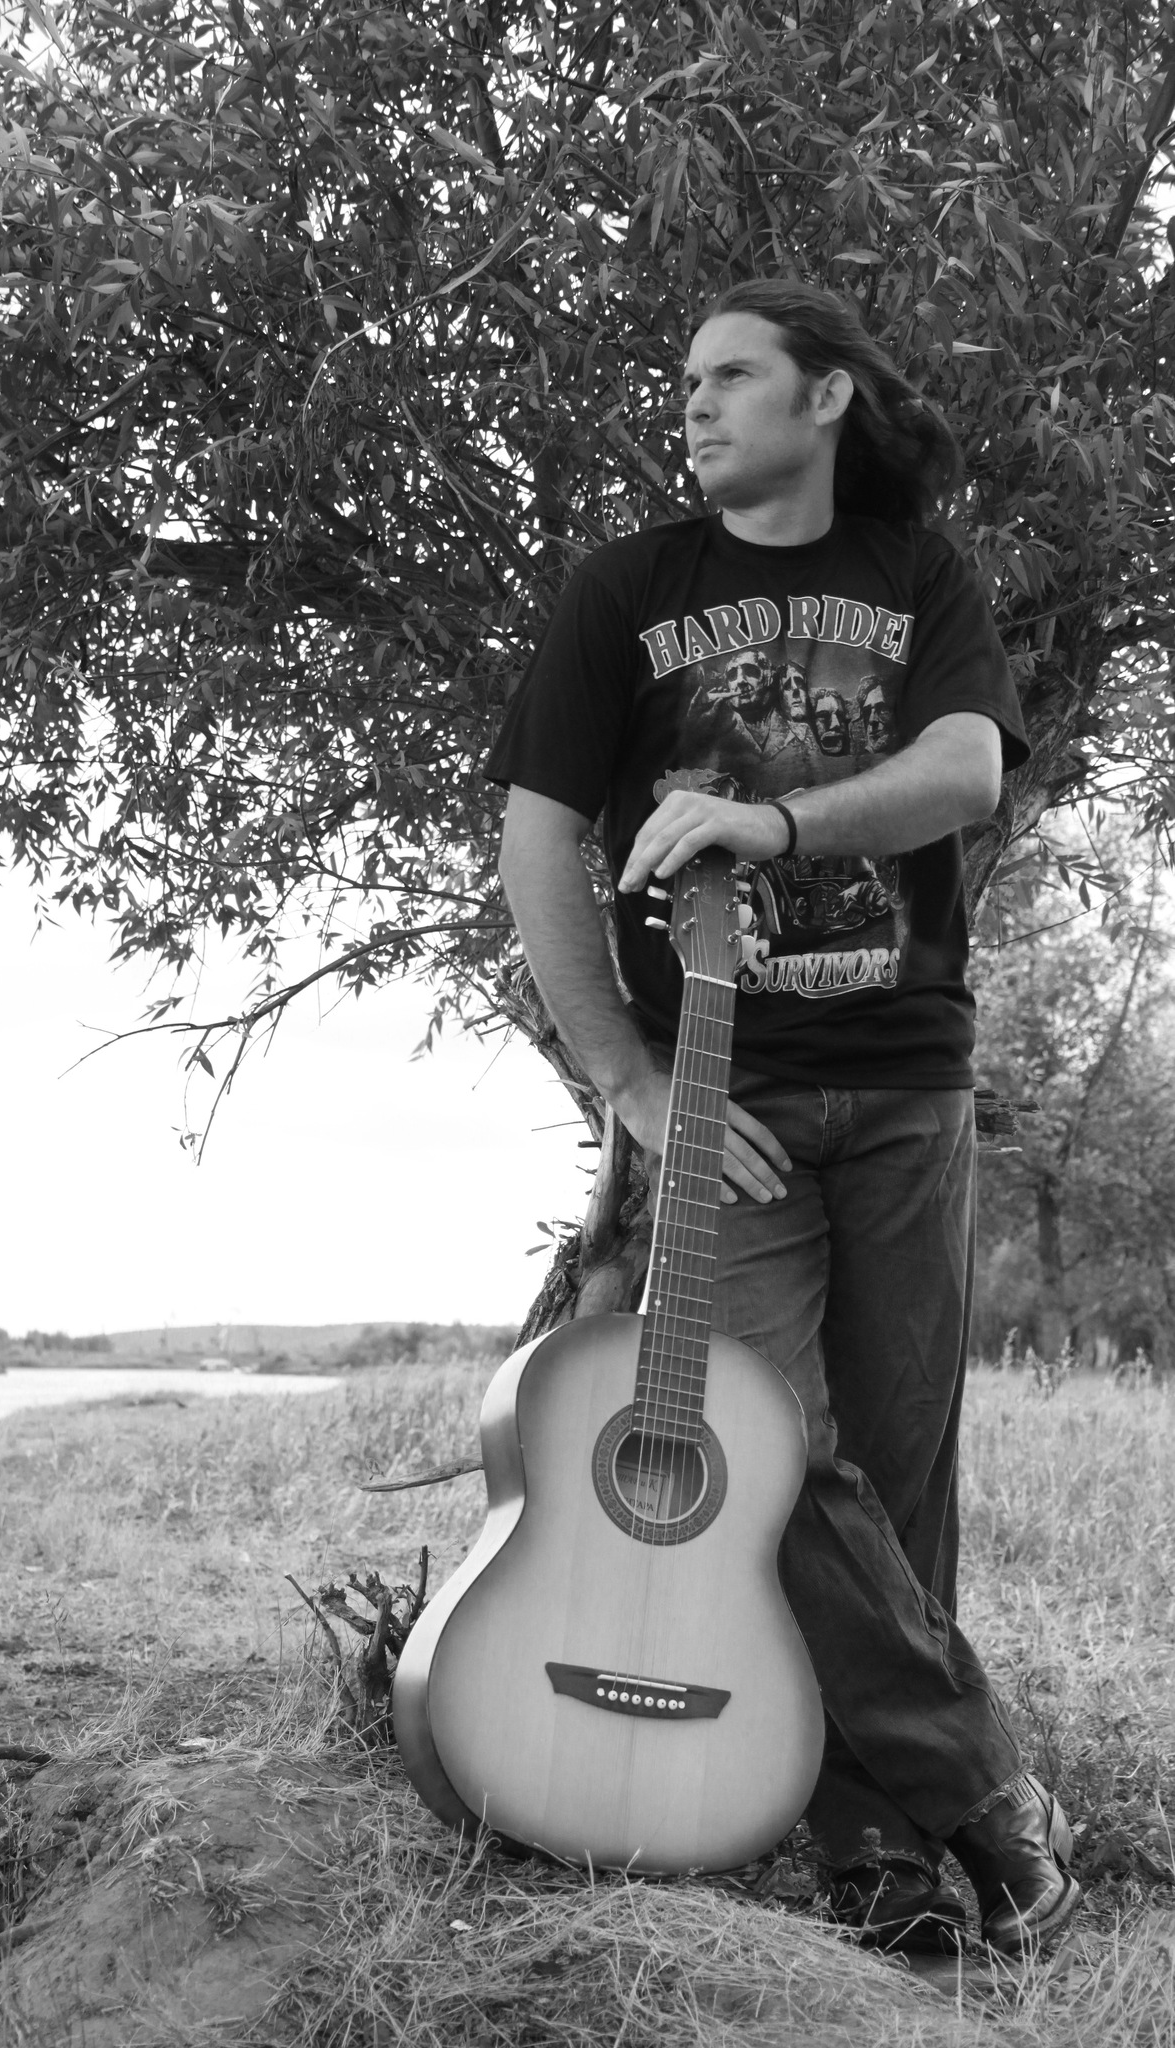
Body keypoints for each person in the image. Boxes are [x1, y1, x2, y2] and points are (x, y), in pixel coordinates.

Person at [486, 279, 1080, 1955]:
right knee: (771, 1452)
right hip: (717, 1097)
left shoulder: (916, 578)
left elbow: (964, 769)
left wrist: (778, 823)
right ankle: (980, 1789)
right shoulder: (622, 591)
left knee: (898, 1475)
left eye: (730, 376)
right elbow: (536, 842)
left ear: (823, 399)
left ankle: (878, 1849)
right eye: (685, 379)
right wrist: (627, 1081)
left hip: (904, 1086)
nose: (691, 403)